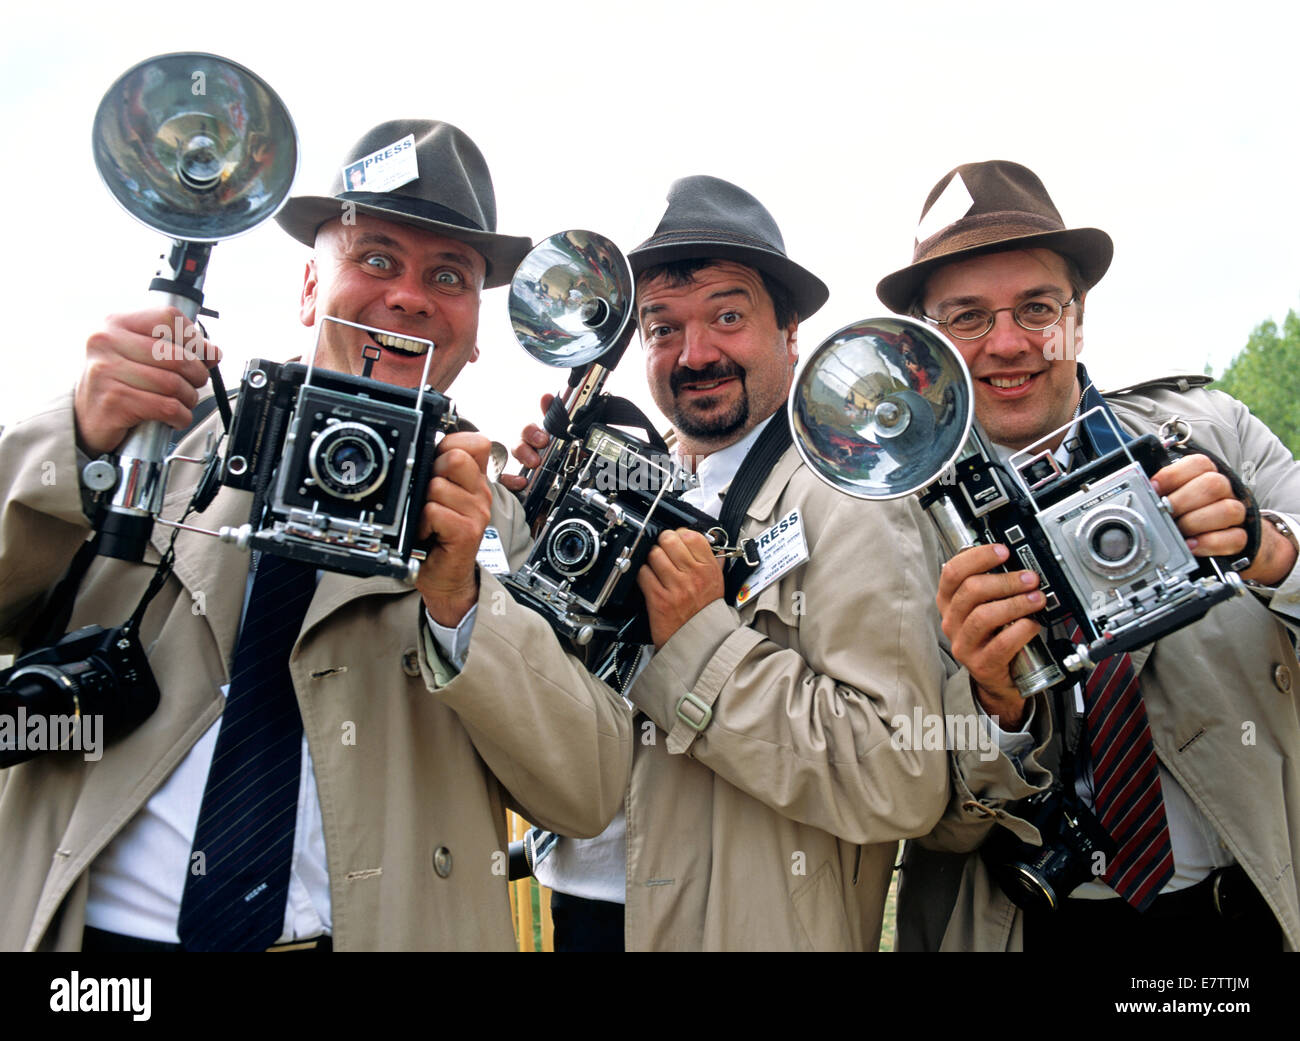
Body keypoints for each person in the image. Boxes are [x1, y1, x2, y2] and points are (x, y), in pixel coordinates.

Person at [0, 120, 631, 951]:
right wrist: (75, 440)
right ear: (307, 286)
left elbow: (584, 789)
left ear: (475, 335)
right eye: (374, 258)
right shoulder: (157, 441)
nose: (407, 295)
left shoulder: (498, 527)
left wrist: (463, 604)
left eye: (447, 275)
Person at [467, 175, 950, 950]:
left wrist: (699, 641)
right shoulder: (620, 473)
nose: (696, 354)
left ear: (791, 333)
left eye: (728, 316)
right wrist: (531, 535)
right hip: (580, 908)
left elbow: (899, 773)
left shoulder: (849, 500)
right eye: (662, 329)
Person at [877, 160, 1300, 951]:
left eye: (1037, 307)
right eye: (967, 318)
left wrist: (1265, 548)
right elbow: (903, 801)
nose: (1008, 343)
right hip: (1019, 922)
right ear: (924, 346)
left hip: (1243, 910)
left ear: (1079, 317)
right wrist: (995, 702)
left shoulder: (1212, 428)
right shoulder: (885, 522)